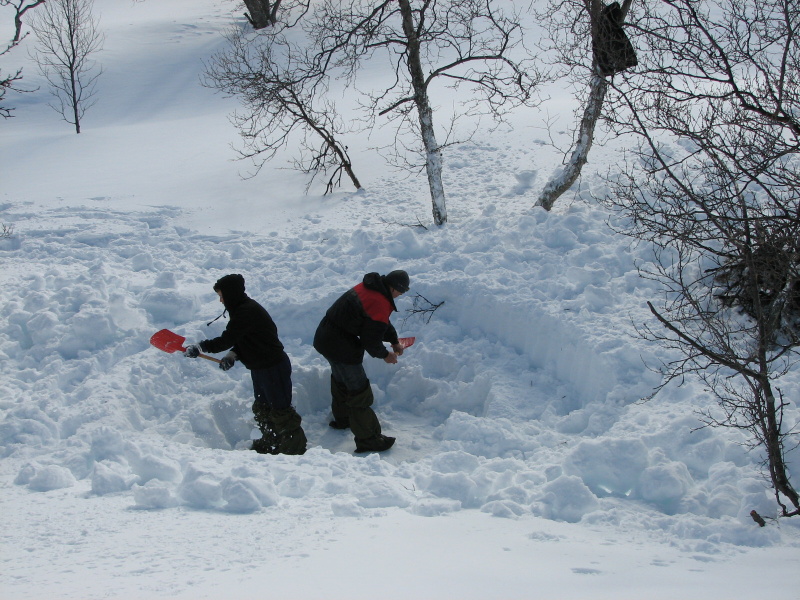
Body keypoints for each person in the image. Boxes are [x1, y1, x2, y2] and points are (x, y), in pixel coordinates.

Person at [184, 274, 307, 456]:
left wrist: (200, 346)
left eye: (221, 296)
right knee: (263, 409)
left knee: (281, 412)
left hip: (273, 367)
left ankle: (295, 453)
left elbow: (226, 339)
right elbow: (248, 339)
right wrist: (233, 355)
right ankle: (269, 444)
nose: (220, 301)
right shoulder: (240, 309)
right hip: (260, 368)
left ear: (231, 294)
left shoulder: (246, 312)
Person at [313, 269, 409, 453]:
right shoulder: (379, 301)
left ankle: (344, 419)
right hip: (340, 344)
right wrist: (385, 355)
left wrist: (394, 341)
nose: (400, 296)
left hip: (326, 337)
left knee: (342, 380)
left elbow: (380, 322)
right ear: (394, 288)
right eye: (401, 292)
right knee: (359, 391)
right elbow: (370, 340)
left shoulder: (372, 288)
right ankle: (368, 440)